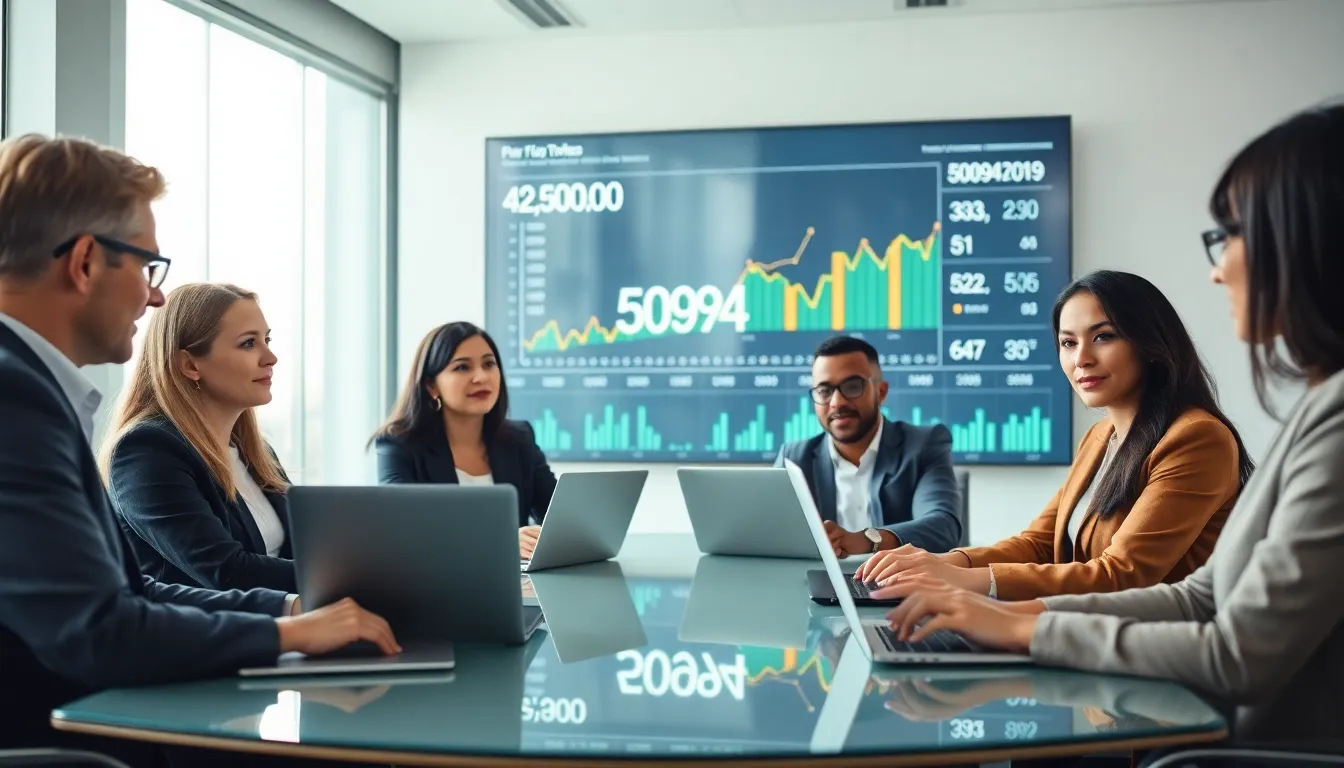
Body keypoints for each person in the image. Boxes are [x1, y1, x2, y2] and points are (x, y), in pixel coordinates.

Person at [875, 103, 1344, 746]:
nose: (1218, 268)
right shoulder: (1112, 434)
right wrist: (968, 585)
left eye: (1231, 234)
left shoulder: (1215, 434)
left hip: (1212, 734)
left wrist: (1014, 619)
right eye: (1067, 343)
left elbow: (1211, 635)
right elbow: (1195, 596)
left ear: (1307, 241)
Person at [0, 134, 398, 759]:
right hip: (80, 736)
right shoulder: (17, 401)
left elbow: (129, 594)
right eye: (147, 267)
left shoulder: (32, 391)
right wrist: (287, 634)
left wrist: (293, 616)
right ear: (84, 262)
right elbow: (100, 632)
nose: (155, 296)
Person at [855, 271, 1252, 601]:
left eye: (1103, 336)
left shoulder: (1197, 438)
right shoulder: (1100, 437)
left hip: (1156, 653)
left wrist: (963, 580)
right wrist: (944, 562)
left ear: (1149, 343)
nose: (1081, 359)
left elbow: (1122, 575)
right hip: (1085, 638)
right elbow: (1040, 543)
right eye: (1068, 342)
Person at [103, 282, 296, 592]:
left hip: (292, 618)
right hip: (213, 624)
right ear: (190, 365)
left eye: (267, 339)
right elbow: (227, 572)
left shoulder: (258, 452)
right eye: (249, 343)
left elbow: (301, 550)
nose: (270, 357)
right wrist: (356, 577)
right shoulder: (147, 451)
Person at [372, 321, 557, 557]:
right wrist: (500, 540)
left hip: (512, 577)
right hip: (437, 577)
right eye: (462, 367)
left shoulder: (519, 438)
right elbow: (403, 528)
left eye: (489, 364)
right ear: (431, 386)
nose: (481, 377)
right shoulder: (398, 444)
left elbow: (557, 516)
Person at [775, 335, 962, 557]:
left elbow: (943, 525)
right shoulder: (794, 458)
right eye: (824, 391)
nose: (837, 402)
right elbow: (764, 528)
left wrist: (866, 540)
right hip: (819, 579)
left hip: (898, 578)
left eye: (853, 387)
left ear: (881, 392)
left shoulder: (923, 445)